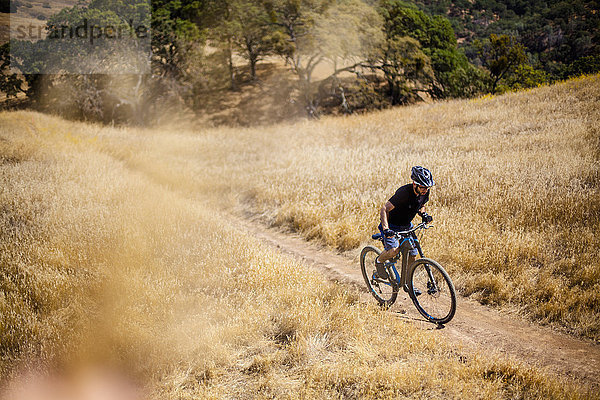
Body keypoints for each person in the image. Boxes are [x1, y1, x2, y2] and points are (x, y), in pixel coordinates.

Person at [375, 166, 435, 285]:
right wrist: (386, 229)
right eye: (422, 187)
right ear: (414, 184)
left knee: (413, 255)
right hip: (391, 226)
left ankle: (409, 284)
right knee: (393, 251)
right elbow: (384, 209)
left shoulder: (424, 192)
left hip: (407, 226)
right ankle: (379, 261)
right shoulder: (404, 193)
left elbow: (421, 204)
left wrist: (424, 214)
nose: (425, 190)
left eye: (427, 187)